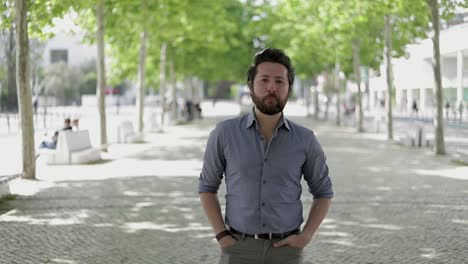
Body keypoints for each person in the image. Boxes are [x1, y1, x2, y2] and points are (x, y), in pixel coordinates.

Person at [199, 48, 333, 264]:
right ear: (251, 86)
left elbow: (323, 192)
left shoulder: (305, 139)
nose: (272, 87)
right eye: (264, 80)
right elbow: (207, 187)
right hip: (238, 248)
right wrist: (222, 235)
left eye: (280, 81)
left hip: (286, 251)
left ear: (289, 88)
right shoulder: (224, 134)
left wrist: (305, 236)